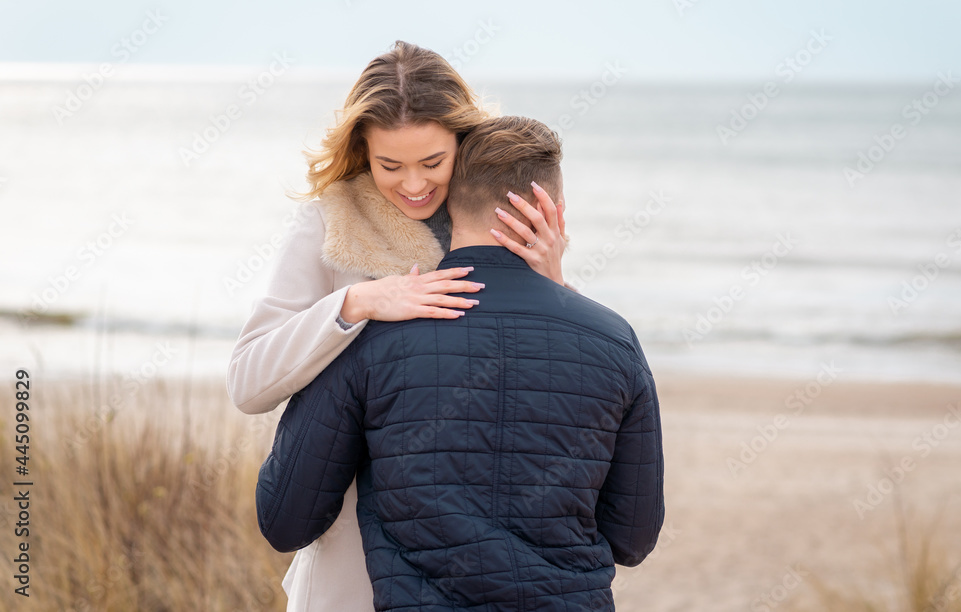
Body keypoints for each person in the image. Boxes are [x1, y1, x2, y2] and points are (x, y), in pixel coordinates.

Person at [256, 116, 665, 611]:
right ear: (552, 212)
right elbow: (633, 539)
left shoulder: (372, 337)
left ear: (448, 203)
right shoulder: (615, 343)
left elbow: (286, 520)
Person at [227, 42, 567, 611]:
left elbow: (558, 379)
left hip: (489, 550)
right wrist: (355, 303)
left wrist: (552, 281)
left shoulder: (503, 212)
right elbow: (247, 382)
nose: (413, 184)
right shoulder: (328, 222)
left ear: (463, 140)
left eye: (432, 163)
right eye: (390, 166)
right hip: (354, 560)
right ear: (363, 150)